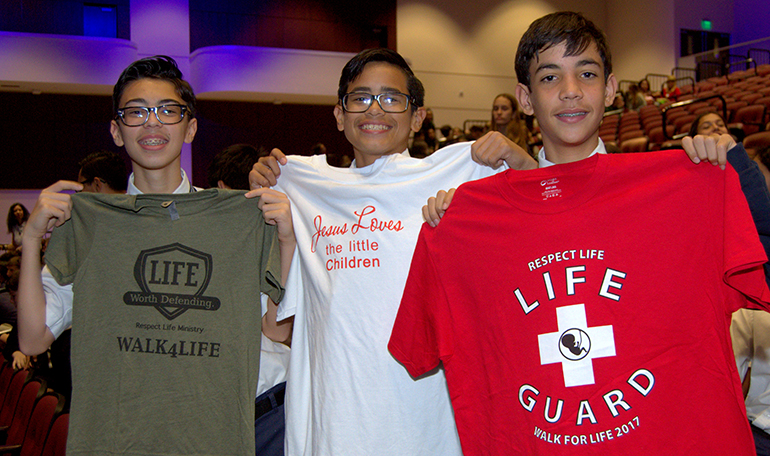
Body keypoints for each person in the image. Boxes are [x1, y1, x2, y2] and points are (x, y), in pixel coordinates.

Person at [389, 12, 770, 455]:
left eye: (586, 73)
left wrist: (729, 170)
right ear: (525, 98)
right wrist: (451, 230)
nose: (570, 90)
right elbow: (417, 351)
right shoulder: (464, 224)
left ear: (610, 88)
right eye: (550, 77)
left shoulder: (686, 192)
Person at [248, 48, 538, 456]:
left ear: (417, 117)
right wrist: (272, 185)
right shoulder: (303, 187)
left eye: (391, 98)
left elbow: (551, 216)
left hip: (424, 420)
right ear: (339, 114)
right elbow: (279, 327)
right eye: (360, 98)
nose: (375, 110)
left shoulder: (456, 179)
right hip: (334, 422)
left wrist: (519, 161)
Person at [17, 55, 294, 456]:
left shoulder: (237, 219)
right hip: (123, 439)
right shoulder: (93, 226)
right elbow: (32, 336)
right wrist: (30, 240)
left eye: (168, 110)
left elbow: (277, 330)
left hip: (219, 434)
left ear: (190, 127)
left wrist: (286, 240)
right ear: (116, 130)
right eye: (136, 112)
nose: (152, 122)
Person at [207, 142, 290, 456]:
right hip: (214, 419)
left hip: (271, 412)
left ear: (221, 187)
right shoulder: (200, 243)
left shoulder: (281, 232)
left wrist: (287, 238)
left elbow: (278, 329)